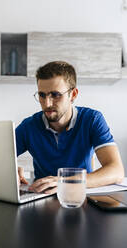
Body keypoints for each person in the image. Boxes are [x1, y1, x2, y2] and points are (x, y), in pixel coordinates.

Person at [16, 61, 124, 194]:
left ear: (73, 95)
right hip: (41, 198)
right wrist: (12, 169)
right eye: (42, 95)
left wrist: (64, 182)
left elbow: (116, 170)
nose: (47, 103)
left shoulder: (92, 119)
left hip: (81, 197)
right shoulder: (28, 126)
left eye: (55, 95)